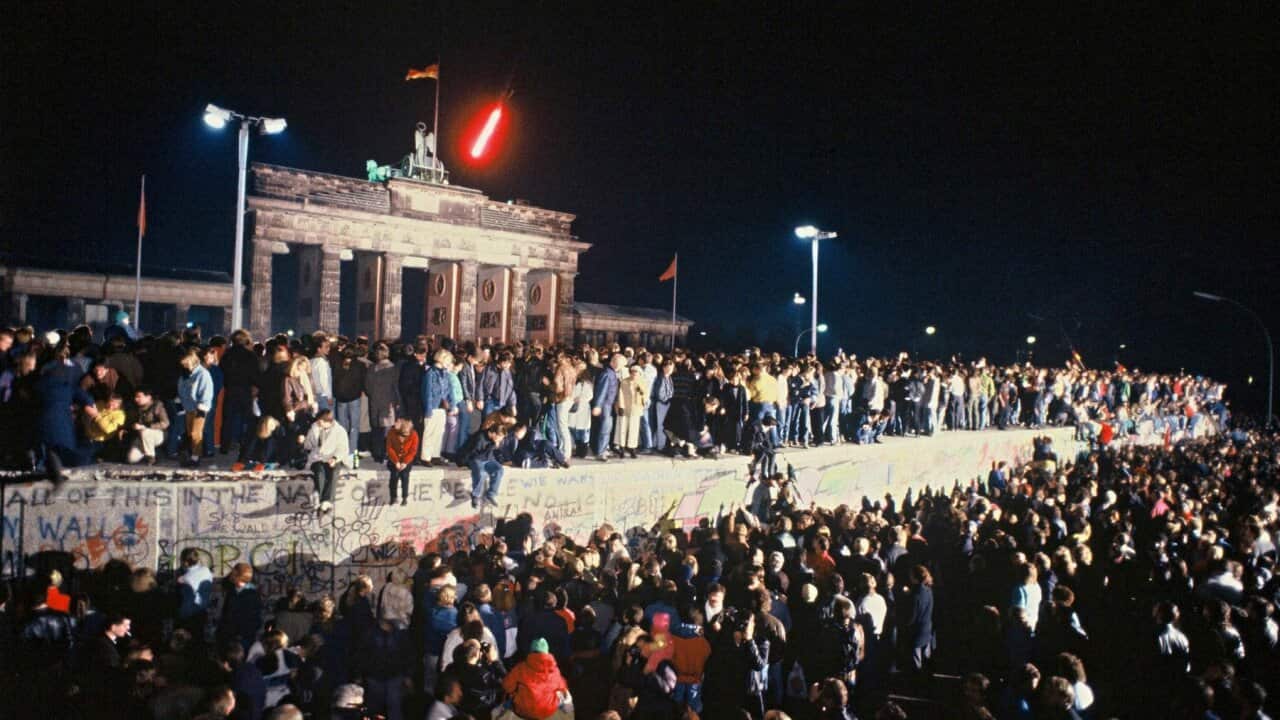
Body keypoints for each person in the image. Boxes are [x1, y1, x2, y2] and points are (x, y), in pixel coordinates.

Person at [502, 637, 572, 720]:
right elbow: (563, 686)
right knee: (561, 693)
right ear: (546, 652)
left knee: (507, 700)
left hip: (522, 710)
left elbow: (507, 686)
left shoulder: (520, 668)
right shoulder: (554, 671)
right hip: (547, 711)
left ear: (531, 651)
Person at [304, 409, 349, 514]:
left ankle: (327, 500)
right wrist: (305, 440)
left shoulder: (340, 431)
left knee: (334, 472)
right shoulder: (314, 428)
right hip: (318, 458)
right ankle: (319, 499)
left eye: (320, 422)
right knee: (320, 472)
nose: (318, 424)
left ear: (327, 422)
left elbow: (343, 448)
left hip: (333, 458)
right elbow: (308, 445)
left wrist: (335, 458)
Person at [177, 348, 215, 467]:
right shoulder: (185, 374)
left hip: (199, 408)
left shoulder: (203, 374)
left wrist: (202, 408)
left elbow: (207, 392)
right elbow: (181, 390)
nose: (184, 365)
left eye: (186, 363)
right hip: (188, 408)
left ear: (193, 360)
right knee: (190, 433)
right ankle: (192, 454)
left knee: (195, 433)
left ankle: (195, 457)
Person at [457, 423, 508, 509]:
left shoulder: (494, 439)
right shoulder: (480, 437)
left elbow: (493, 453)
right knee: (481, 473)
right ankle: (475, 495)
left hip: (488, 459)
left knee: (499, 470)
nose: (501, 439)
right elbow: (476, 454)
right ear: (493, 433)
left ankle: (490, 495)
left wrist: (496, 448)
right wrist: (493, 445)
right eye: (500, 437)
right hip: (475, 458)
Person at [364, 342, 400, 463]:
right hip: (388, 402)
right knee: (387, 429)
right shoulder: (393, 368)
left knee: (376, 428)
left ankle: (377, 453)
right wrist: (397, 401)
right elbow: (396, 387)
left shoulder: (371, 368)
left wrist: (373, 395)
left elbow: (367, 387)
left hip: (375, 401)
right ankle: (386, 453)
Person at [218, 563, 263, 653]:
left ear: (239, 576)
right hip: (229, 635)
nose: (230, 574)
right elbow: (226, 613)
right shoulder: (232, 591)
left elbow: (253, 618)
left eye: (233, 573)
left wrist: (241, 634)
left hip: (243, 637)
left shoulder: (251, 594)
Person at [421, 349, 454, 465]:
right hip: (433, 406)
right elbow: (427, 392)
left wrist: (452, 405)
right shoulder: (430, 373)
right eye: (448, 360)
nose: (449, 363)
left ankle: (435, 455)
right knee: (429, 432)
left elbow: (449, 390)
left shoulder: (445, 373)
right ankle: (426, 457)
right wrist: (428, 409)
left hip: (441, 406)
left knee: (439, 432)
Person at [591, 353, 624, 461]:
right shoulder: (607, 373)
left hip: (608, 404)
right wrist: (597, 405)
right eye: (621, 364)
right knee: (604, 429)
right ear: (615, 362)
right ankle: (601, 452)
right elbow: (601, 390)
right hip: (605, 405)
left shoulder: (610, 372)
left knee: (606, 428)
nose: (621, 367)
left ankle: (603, 449)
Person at [176, 547, 214, 638]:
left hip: (190, 614)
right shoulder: (206, 570)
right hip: (203, 611)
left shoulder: (185, 578)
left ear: (185, 562)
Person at [125, 386, 169, 464]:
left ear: (148, 397)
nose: (136, 399)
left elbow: (165, 423)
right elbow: (130, 422)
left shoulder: (157, 406)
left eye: (139, 397)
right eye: (135, 397)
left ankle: (151, 457)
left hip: (157, 434)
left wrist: (147, 426)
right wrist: (131, 426)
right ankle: (154, 453)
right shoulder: (135, 407)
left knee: (145, 431)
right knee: (131, 459)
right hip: (141, 437)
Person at [613, 365, 648, 459]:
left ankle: (632, 448)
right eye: (633, 372)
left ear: (639, 374)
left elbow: (646, 396)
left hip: (636, 409)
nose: (634, 374)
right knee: (622, 428)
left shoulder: (642, 382)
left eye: (636, 373)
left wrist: (641, 392)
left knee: (634, 429)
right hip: (624, 408)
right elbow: (620, 394)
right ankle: (621, 447)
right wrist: (621, 406)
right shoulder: (624, 381)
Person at [385, 417, 419, 505]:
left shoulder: (414, 434)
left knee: (405, 475)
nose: (395, 424)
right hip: (394, 459)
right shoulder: (391, 432)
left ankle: (404, 497)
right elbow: (389, 448)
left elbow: (413, 451)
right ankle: (393, 497)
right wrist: (396, 461)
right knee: (394, 475)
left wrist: (405, 462)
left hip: (406, 460)